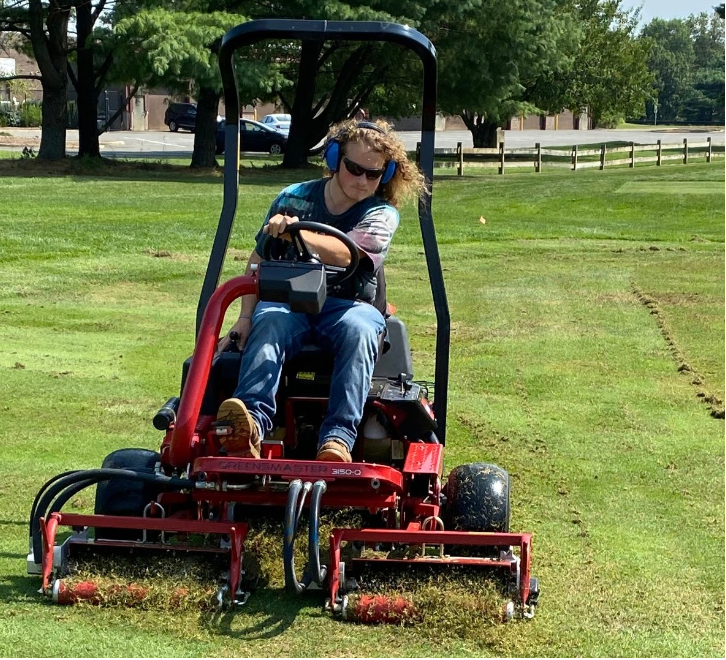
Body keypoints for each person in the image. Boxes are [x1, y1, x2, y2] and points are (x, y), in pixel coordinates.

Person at [215, 119, 425, 463]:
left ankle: (338, 440)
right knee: (269, 321)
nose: (362, 180)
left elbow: (349, 253)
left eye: (373, 174)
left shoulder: (381, 213)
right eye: (354, 169)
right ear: (333, 159)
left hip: (348, 307)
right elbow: (258, 259)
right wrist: (244, 318)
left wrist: (297, 232)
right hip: (291, 305)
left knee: (361, 329)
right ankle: (250, 425)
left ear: (385, 176)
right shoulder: (292, 198)